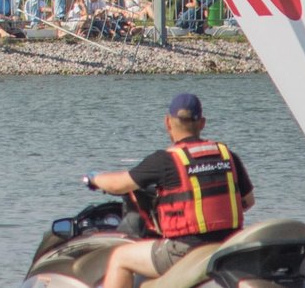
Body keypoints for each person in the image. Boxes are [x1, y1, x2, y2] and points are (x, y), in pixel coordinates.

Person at [87, 93, 254, 288]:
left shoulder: (166, 160)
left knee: (120, 258)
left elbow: (119, 184)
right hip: (228, 247)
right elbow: (248, 201)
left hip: (185, 250)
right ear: (202, 123)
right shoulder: (226, 154)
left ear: (168, 122)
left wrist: (94, 178)